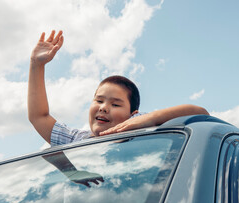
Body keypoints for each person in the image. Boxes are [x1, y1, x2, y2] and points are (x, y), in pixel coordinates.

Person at [28, 30, 209, 146]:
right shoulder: (77, 140)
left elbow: (200, 113)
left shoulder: (141, 132)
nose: (104, 107)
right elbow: (39, 117)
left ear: (133, 114)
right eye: (99, 100)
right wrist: (37, 65)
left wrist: (148, 120)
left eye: (115, 104)